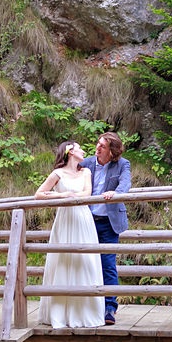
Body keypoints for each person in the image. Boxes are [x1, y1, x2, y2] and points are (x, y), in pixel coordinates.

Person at [35, 141, 105, 328]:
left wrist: (74, 196)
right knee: (64, 260)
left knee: (85, 261)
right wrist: (62, 196)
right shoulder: (57, 174)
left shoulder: (86, 172)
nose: (83, 150)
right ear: (71, 152)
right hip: (65, 219)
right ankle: (60, 313)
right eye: (79, 148)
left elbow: (87, 193)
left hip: (83, 218)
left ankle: (85, 312)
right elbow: (39, 194)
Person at [80, 132, 131, 325]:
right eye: (98, 144)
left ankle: (110, 307)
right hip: (88, 221)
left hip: (109, 222)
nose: (98, 148)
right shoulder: (87, 163)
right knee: (86, 263)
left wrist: (116, 193)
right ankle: (90, 305)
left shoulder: (122, 164)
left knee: (108, 263)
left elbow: (126, 183)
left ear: (112, 151)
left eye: (102, 146)